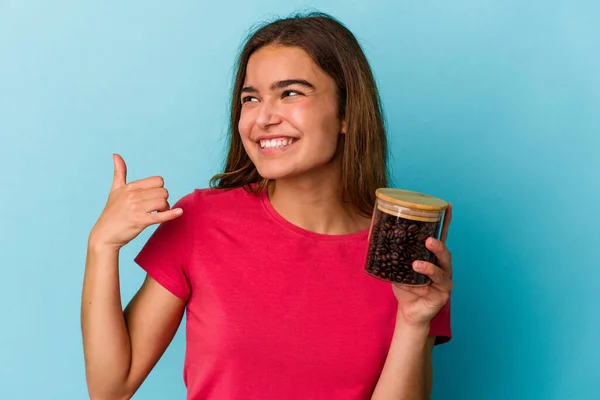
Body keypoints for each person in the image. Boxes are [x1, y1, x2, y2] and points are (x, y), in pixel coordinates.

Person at [81, 11, 454, 400]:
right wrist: (101, 246)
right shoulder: (200, 221)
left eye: (290, 92)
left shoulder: (398, 251)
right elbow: (110, 388)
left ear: (346, 112)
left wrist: (414, 322)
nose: (263, 117)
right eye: (251, 98)